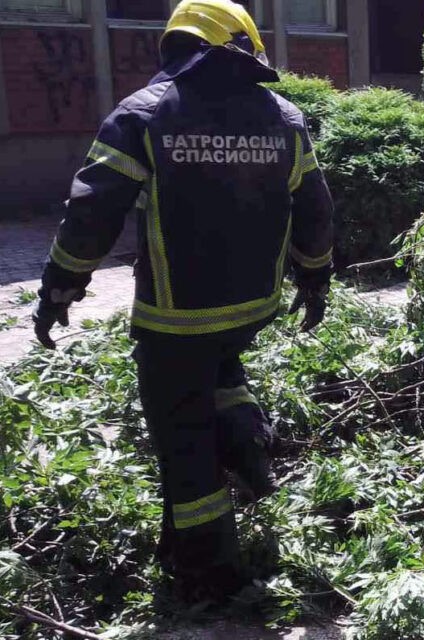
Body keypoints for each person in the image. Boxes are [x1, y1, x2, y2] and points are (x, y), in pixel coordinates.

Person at [31, 0, 334, 602]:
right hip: (251, 308)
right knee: (219, 371)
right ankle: (250, 447)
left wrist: (60, 288)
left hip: (175, 319)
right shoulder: (284, 116)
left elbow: (92, 213)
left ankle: (211, 573)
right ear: (243, 46)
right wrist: (315, 278)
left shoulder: (143, 115)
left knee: (183, 437)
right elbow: (316, 209)